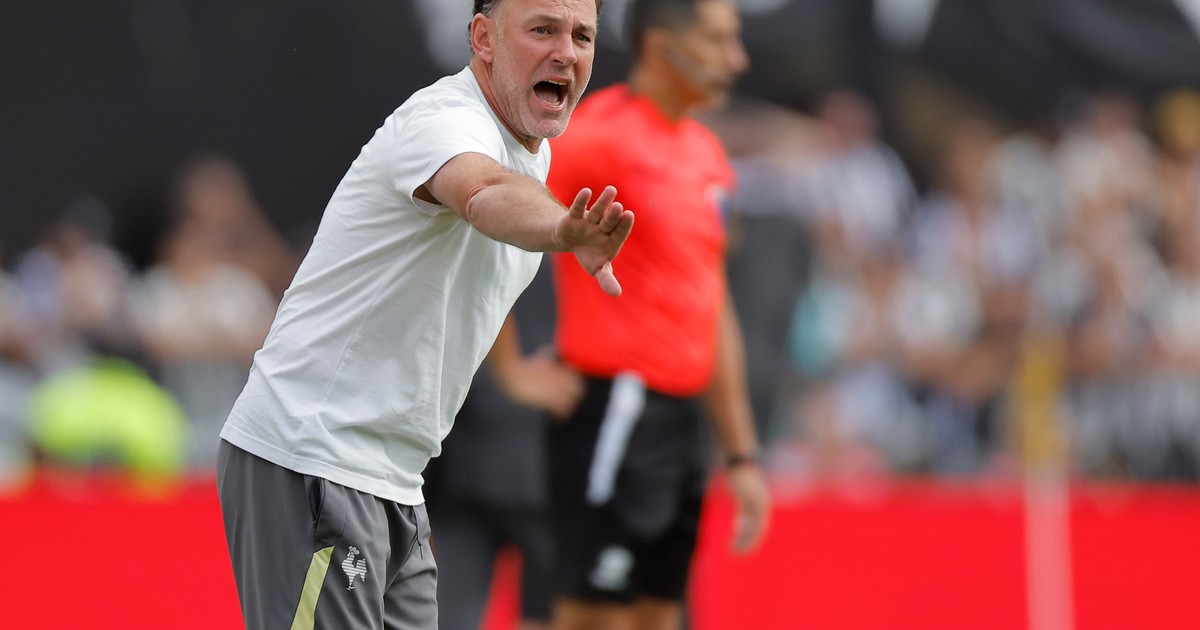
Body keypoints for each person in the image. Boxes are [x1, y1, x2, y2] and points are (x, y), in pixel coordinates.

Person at [214, 0, 633, 628]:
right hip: (312, 457)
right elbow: (483, 193)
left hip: (396, 481)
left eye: (582, 36)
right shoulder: (445, 120)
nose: (565, 53)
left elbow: (474, 276)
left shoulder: (531, 155)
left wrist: (513, 369)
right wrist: (562, 229)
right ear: (483, 38)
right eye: (542, 30)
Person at [493, 1, 770, 628]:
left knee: (658, 618)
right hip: (613, 411)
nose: (736, 61)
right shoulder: (597, 137)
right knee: (591, 619)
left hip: (681, 426)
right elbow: (483, 232)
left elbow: (710, 301)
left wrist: (741, 456)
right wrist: (512, 372)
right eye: (718, 41)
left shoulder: (707, 155)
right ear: (661, 46)